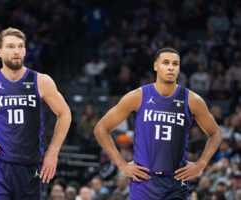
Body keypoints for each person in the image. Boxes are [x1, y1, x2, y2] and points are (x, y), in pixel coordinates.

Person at [0, 27, 72, 199]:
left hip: (30, 167)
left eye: (20, 46)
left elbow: (65, 113)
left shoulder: (41, 81)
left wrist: (53, 152)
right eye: (10, 46)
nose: (16, 51)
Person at [94, 47, 222, 199]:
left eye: (175, 64)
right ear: (155, 66)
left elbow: (216, 134)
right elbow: (101, 128)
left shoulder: (192, 100)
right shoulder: (138, 96)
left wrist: (201, 164)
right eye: (166, 63)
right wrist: (122, 165)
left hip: (176, 180)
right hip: (144, 180)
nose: (171, 67)